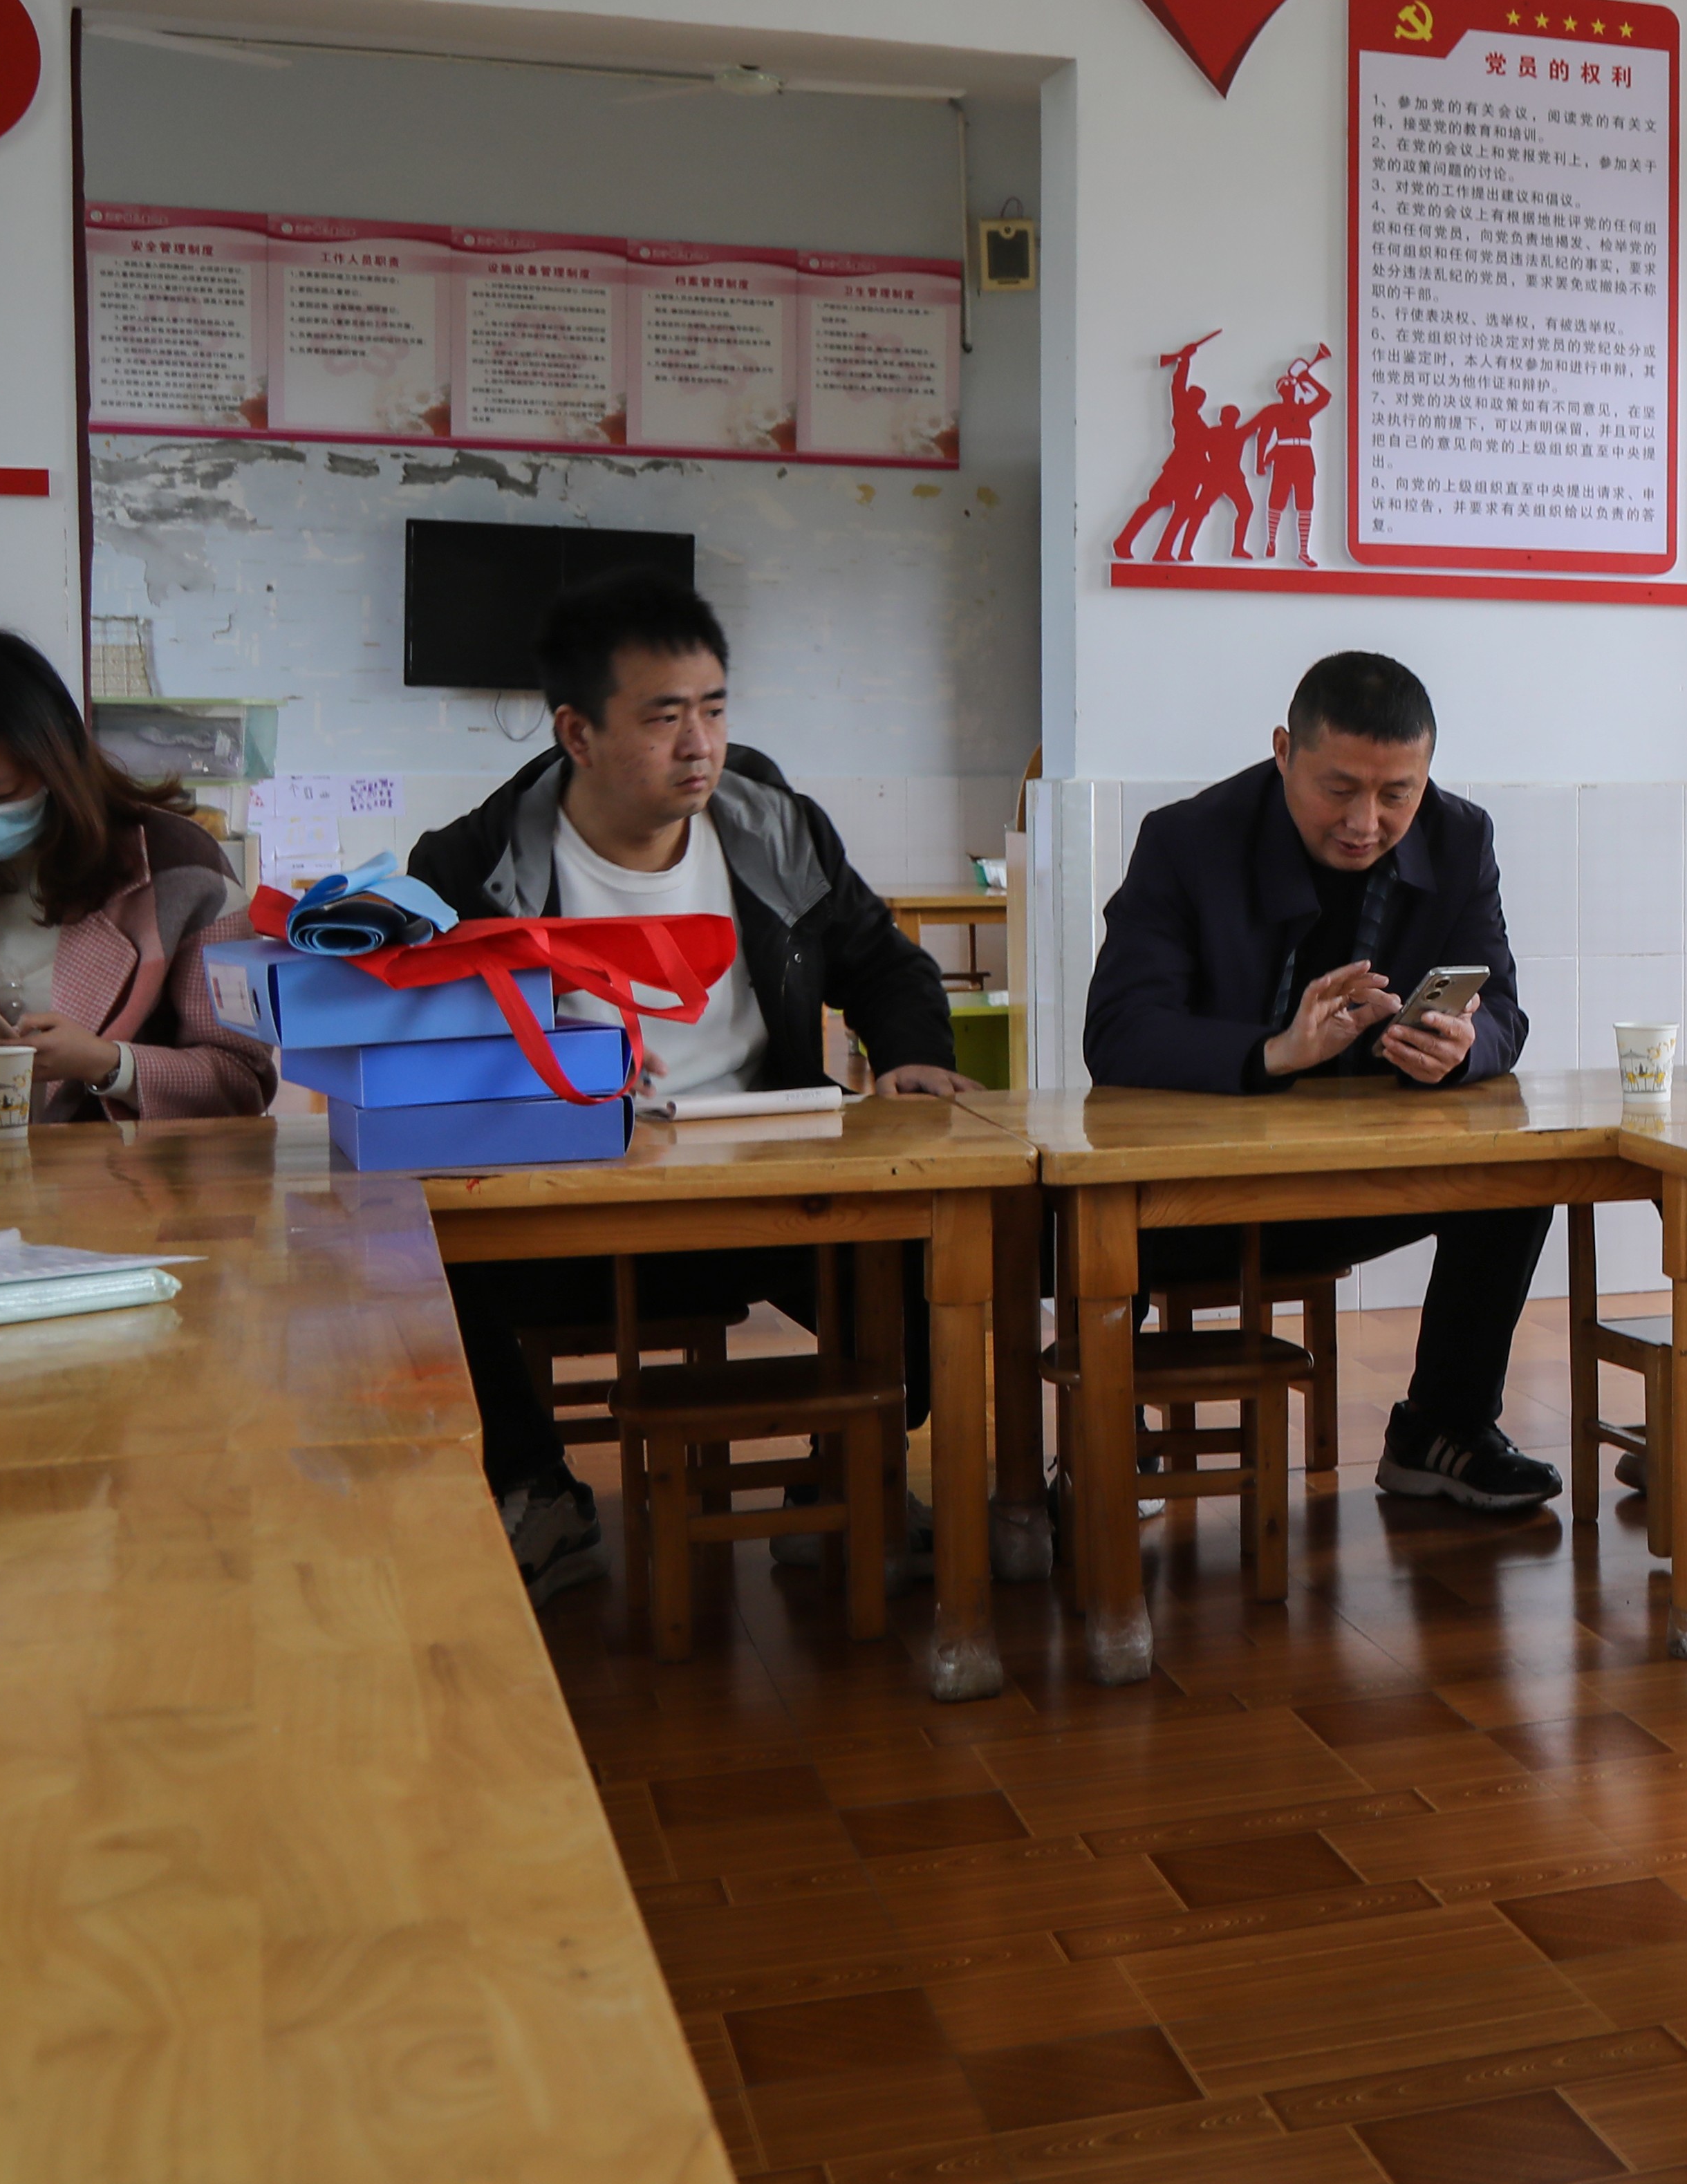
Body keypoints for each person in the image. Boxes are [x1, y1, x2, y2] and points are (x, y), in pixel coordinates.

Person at [411, 572, 976, 1594]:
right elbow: (425, 1046)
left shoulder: (778, 831)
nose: (700, 744)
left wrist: (908, 1054)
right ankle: (537, 1487)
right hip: (569, 1202)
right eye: (663, 717)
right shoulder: (472, 868)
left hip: (768, 1188)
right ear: (578, 734)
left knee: (942, 1254)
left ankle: (846, 1476)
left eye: (714, 710)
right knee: (414, 1256)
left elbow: (886, 964)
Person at [1083, 651, 1565, 1513]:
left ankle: (1443, 1430)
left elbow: (1503, 1013)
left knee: (1515, 1179)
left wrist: (1463, 1048)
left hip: (1359, 1179)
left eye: (1396, 794)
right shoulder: (1188, 840)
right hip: (1202, 1191)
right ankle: (1108, 1436)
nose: (1365, 823)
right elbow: (1118, 1032)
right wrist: (1274, 1051)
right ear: (1283, 751)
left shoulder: (1460, 838)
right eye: (1337, 789)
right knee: (1095, 1207)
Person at [0, 627, 278, 1127]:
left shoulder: (182, 869)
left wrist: (110, 1065)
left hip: (135, 1173)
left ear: (56, 761)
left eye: (0, 794)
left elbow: (242, 1080)